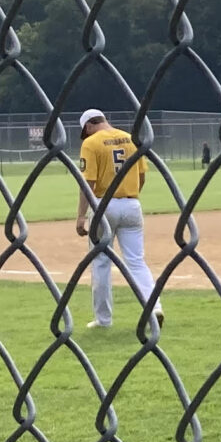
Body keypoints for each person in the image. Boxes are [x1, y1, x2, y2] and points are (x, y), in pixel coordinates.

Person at [75, 106, 157, 337]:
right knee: (136, 261)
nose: (86, 135)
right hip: (132, 204)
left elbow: (88, 183)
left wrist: (81, 215)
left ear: (89, 125)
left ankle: (103, 319)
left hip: (103, 205)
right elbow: (141, 176)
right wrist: (129, 195)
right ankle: (154, 308)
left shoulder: (91, 143)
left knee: (101, 262)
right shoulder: (131, 139)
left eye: (85, 131)